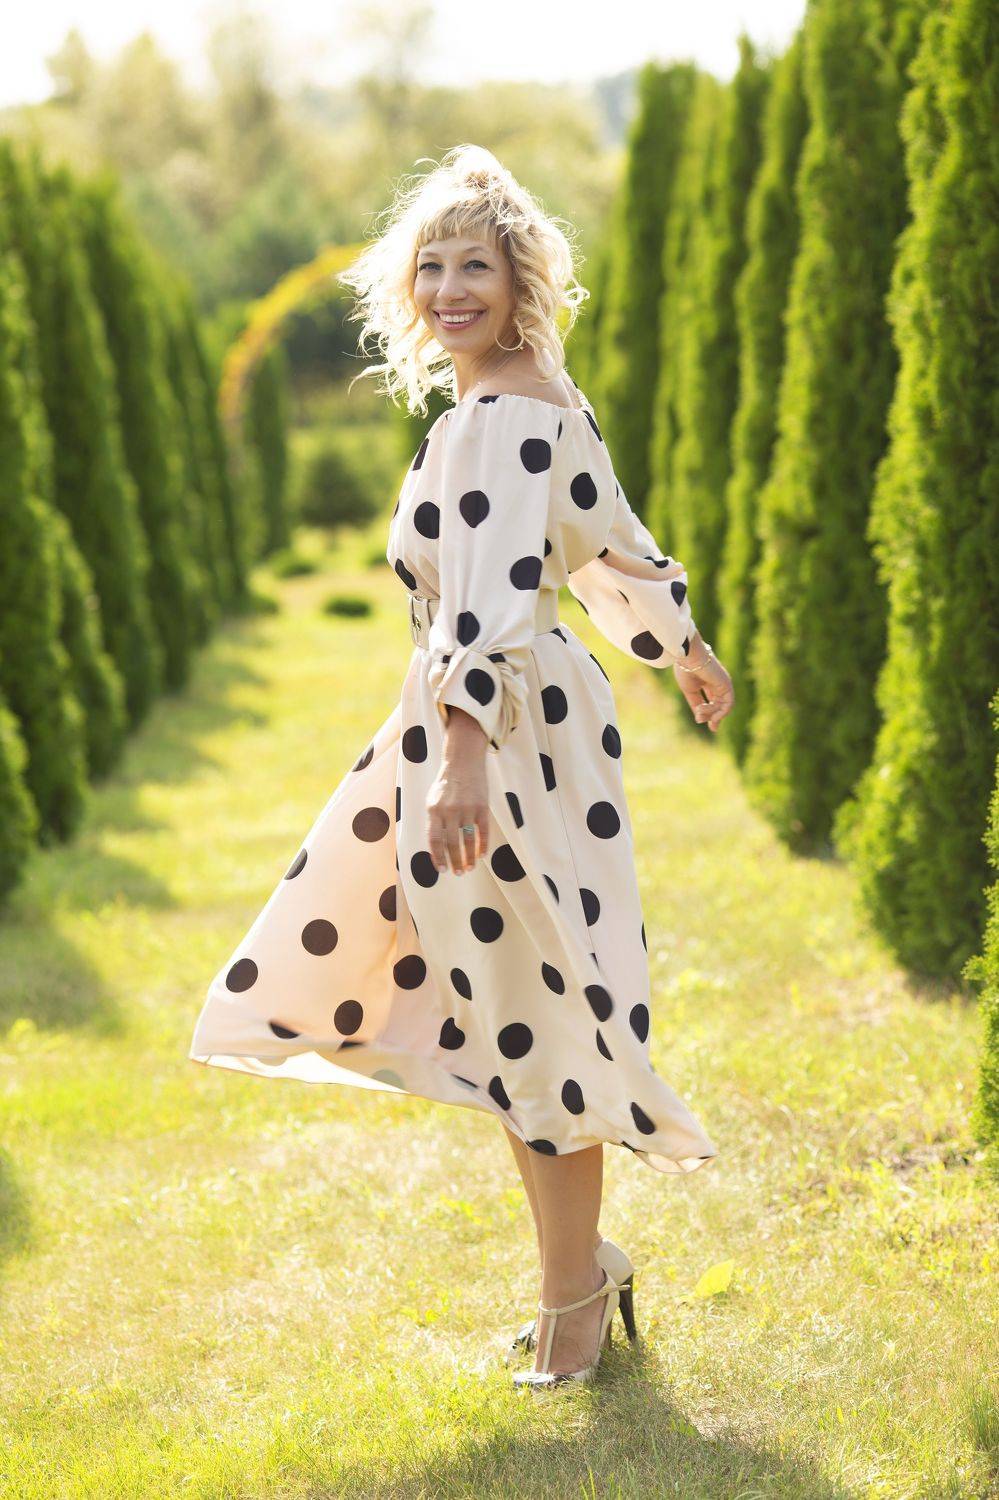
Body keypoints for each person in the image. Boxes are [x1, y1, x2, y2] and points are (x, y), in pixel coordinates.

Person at [188, 144, 734, 1391]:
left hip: (496, 734)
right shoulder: (541, 396)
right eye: (429, 267)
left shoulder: (499, 418)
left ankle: (576, 1304)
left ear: (521, 278)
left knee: (532, 1017)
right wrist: (683, 646)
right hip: (522, 718)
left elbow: (491, 601)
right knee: (518, 1011)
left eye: (473, 266)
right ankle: (576, 1275)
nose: (448, 290)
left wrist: (463, 761)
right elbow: (613, 547)